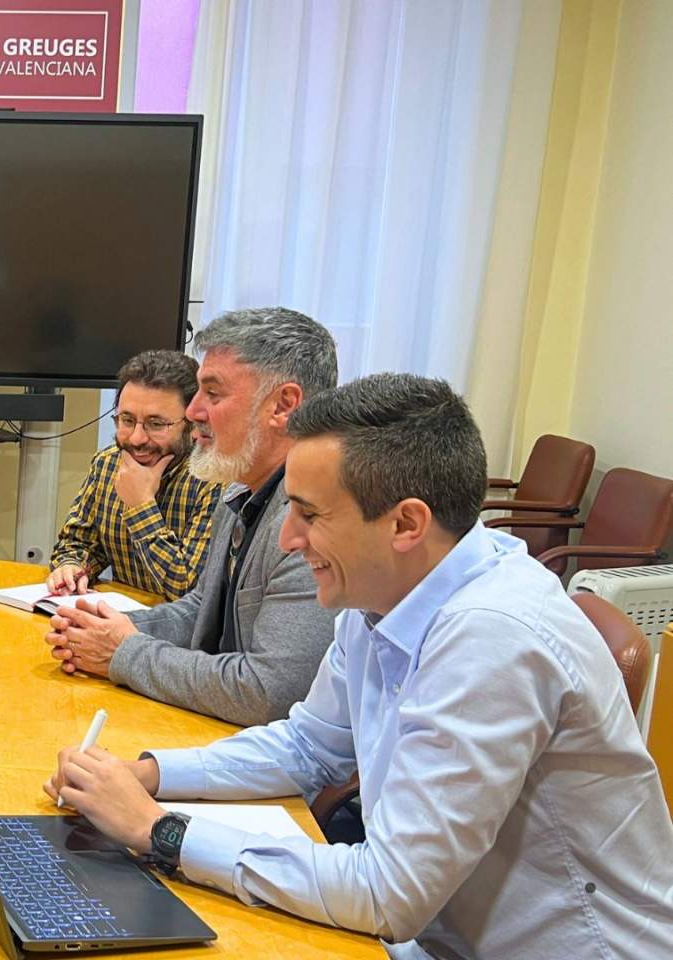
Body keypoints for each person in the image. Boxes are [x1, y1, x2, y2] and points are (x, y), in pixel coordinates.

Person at [45, 373, 673, 959]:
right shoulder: (384, 589)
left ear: (405, 523)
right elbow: (309, 746)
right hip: (439, 934)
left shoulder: (494, 637)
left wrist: (161, 831)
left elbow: (388, 893)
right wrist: (149, 774)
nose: (288, 538)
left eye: (310, 514)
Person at [45, 307, 338, 726]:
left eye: (213, 394)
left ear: (283, 405)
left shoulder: (316, 522)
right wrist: (101, 628)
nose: (195, 412)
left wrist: (124, 652)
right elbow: (202, 610)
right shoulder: (240, 489)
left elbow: (268, 695)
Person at [47, 349, 222, 601]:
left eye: (156, 424)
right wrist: (72, 567)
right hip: (117, 620)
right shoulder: (107, 464)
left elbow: (188, 590)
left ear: (193, 424)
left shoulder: (215, 479)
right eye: (127, 420)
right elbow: (77, 543)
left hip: (181, 635)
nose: (137, 438)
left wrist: (141, 507)